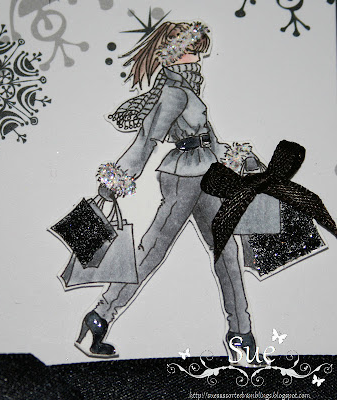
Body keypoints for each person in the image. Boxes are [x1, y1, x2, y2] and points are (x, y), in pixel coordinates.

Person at [75, 21, 263, 366]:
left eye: (198, 52)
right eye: (191, 52)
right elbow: (146, 140)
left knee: (227, 252)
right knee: (153, 250)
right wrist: (116, 180)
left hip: (209, 175)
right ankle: (99, 317)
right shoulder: (173, 93)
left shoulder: (189, 91)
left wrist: (245, 159)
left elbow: (212, 142)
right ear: (173, 55)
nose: (198, 59)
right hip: (183, 178)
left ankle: (241, 334)